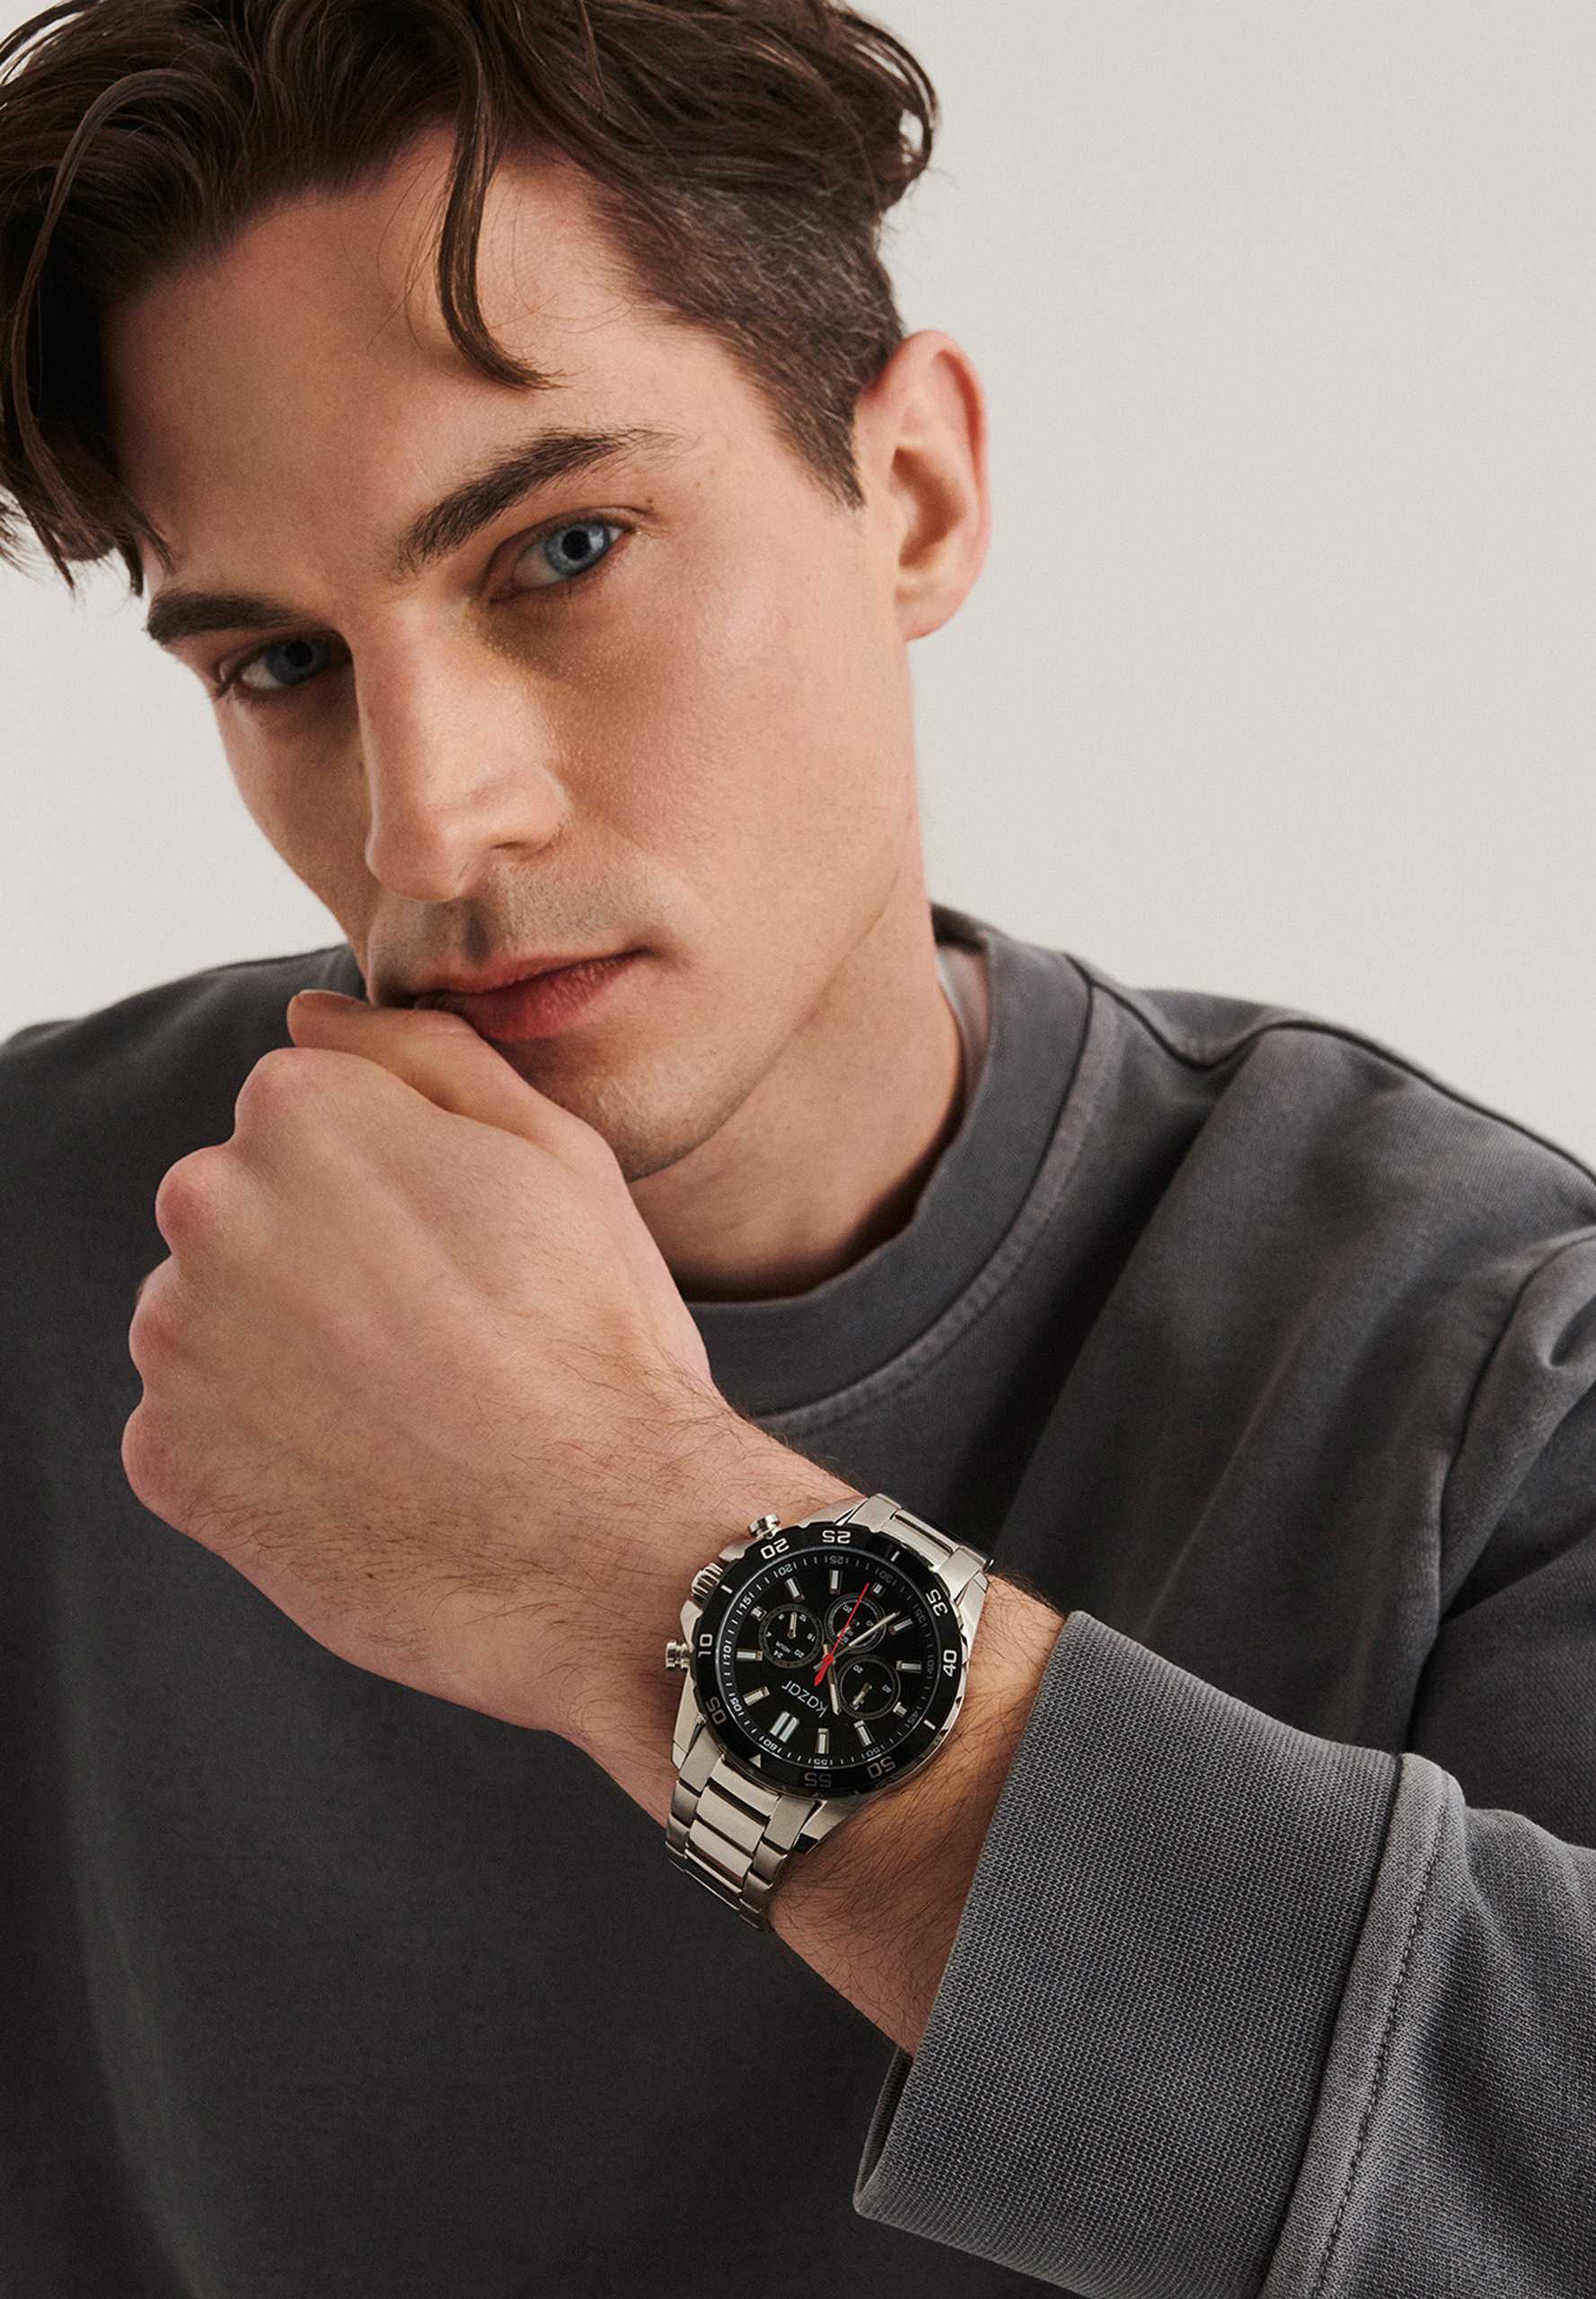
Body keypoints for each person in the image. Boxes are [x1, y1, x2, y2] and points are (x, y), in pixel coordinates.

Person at [1, 4, 1592, 2295]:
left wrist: (628, 1550)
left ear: (912, 491)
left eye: (561, 546)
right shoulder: (45, 1255)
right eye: (280, 665)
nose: (428, 823)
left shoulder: (1483, 1368)